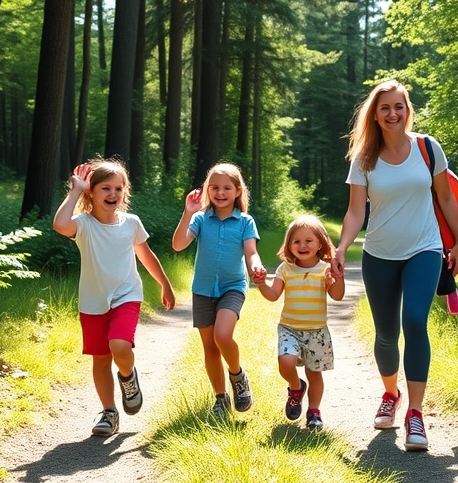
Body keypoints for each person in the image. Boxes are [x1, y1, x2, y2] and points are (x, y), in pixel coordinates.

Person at [328, 80, 458, 452]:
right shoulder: (364, 158)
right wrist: (341, 249)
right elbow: (356, 211)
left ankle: (415, 415)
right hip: (379, 254)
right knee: (386, 334)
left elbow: (446, 199)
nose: (393, 113)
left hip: (425, 248)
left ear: (408, 110)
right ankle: (391, 394)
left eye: (399, 107)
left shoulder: (427, 148)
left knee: (415, 322)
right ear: (375, 113)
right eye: (385, 107)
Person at [53, 158, 176, 437]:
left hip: (126, 295)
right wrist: (74, 190)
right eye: (105, 188)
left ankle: (127, 376)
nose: (112, 194)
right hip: (93, 302)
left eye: (118, 189)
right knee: (100, 358)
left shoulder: (131, 223)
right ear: (91, 193)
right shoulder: (82, 224)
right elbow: (60, 225)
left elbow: (146, 255)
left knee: (119, 345)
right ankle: (109, 413)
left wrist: (165, 284)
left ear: (125, 192)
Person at [172, 162, 266, 418]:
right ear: (207, 191)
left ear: (238, 191)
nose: (220, 192)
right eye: (214, 187)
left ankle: (237, 375)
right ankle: (220, 399)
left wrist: (257, 267)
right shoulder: (201, 219)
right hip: (202, 289)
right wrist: (188, 212)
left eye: (227, 187)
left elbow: (251, 252)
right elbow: (179, 245)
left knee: (222, 336)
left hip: (232, 287)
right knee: (210, 347)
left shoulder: (245, 221)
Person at [252, 215, 345, 430]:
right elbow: (273, 294)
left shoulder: (324, 269)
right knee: (286, 362)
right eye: (296, 241)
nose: (302, 246)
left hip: (317, 332)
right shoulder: (285, 269)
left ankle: (314, 411)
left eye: (308, 241)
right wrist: (261, 284)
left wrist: (338, 278)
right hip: (289, 329)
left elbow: (337, 296)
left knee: (314, 373)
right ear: (289, 245)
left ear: (320, 243)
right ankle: (296, 388)